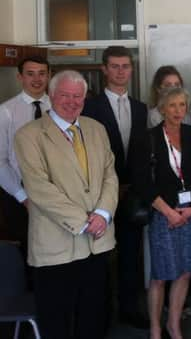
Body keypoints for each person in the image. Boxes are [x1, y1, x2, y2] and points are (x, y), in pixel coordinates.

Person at [14, 70, 118, 339]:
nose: (71, 101)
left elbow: (110, 175)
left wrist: (103, 214)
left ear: (85, 98)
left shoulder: (96, 129)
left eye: (77, 96)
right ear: (51, 95)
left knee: (94, 315)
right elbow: (39, 188)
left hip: (97, 241)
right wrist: (84, 220)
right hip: (55, 245)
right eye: (64, 95)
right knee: (56, 319)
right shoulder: (29, 135)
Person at [130, 87, 191, 339]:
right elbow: (141, 182)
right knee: (161, 274)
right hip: (163, 216)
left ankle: (173, 325)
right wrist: (169, 213)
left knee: (185, 270)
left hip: (190, 214)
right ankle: (155, 328)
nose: (177, 111)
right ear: (162, 108)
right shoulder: (147, 138)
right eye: (172, 105)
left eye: (182, 105)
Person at [82, 46, 149, 328]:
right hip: (99, 196)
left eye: (125, 66)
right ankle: (100, 313)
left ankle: (129, 309)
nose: (121, 72)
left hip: (132, 195)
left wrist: (134, 186)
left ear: (131, 70)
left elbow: (142, 154)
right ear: (104, 69)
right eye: (115, 66)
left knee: (132, 255)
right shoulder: (89, 107)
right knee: (99, 255)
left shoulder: (140, 108)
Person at [0, 55, 50, 262]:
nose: (36, 79)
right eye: (30, 74)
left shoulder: (60, 107)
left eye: (42, 73)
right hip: (19, 192)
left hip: (56, 188)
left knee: (54, 247)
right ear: (20, 77)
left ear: (49, 76)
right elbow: (0, 161)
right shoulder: (6, 111)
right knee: (27, 248)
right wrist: (23, 197)